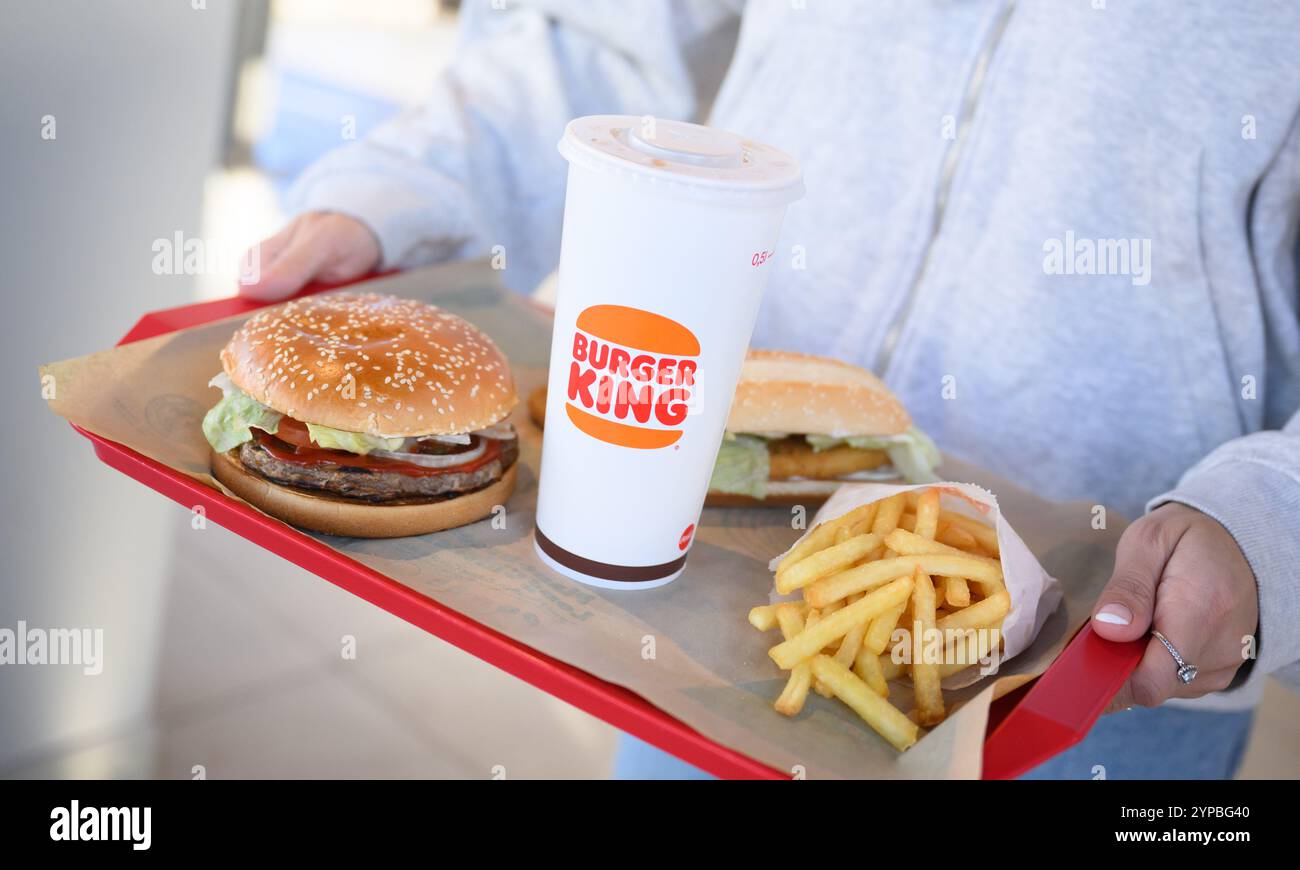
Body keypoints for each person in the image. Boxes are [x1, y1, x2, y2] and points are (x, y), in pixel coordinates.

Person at [241, 1, 1300, 779]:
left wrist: (1266, 518)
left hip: (1100, 672)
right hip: (725, 606)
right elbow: (601, 36)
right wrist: (399, 198)